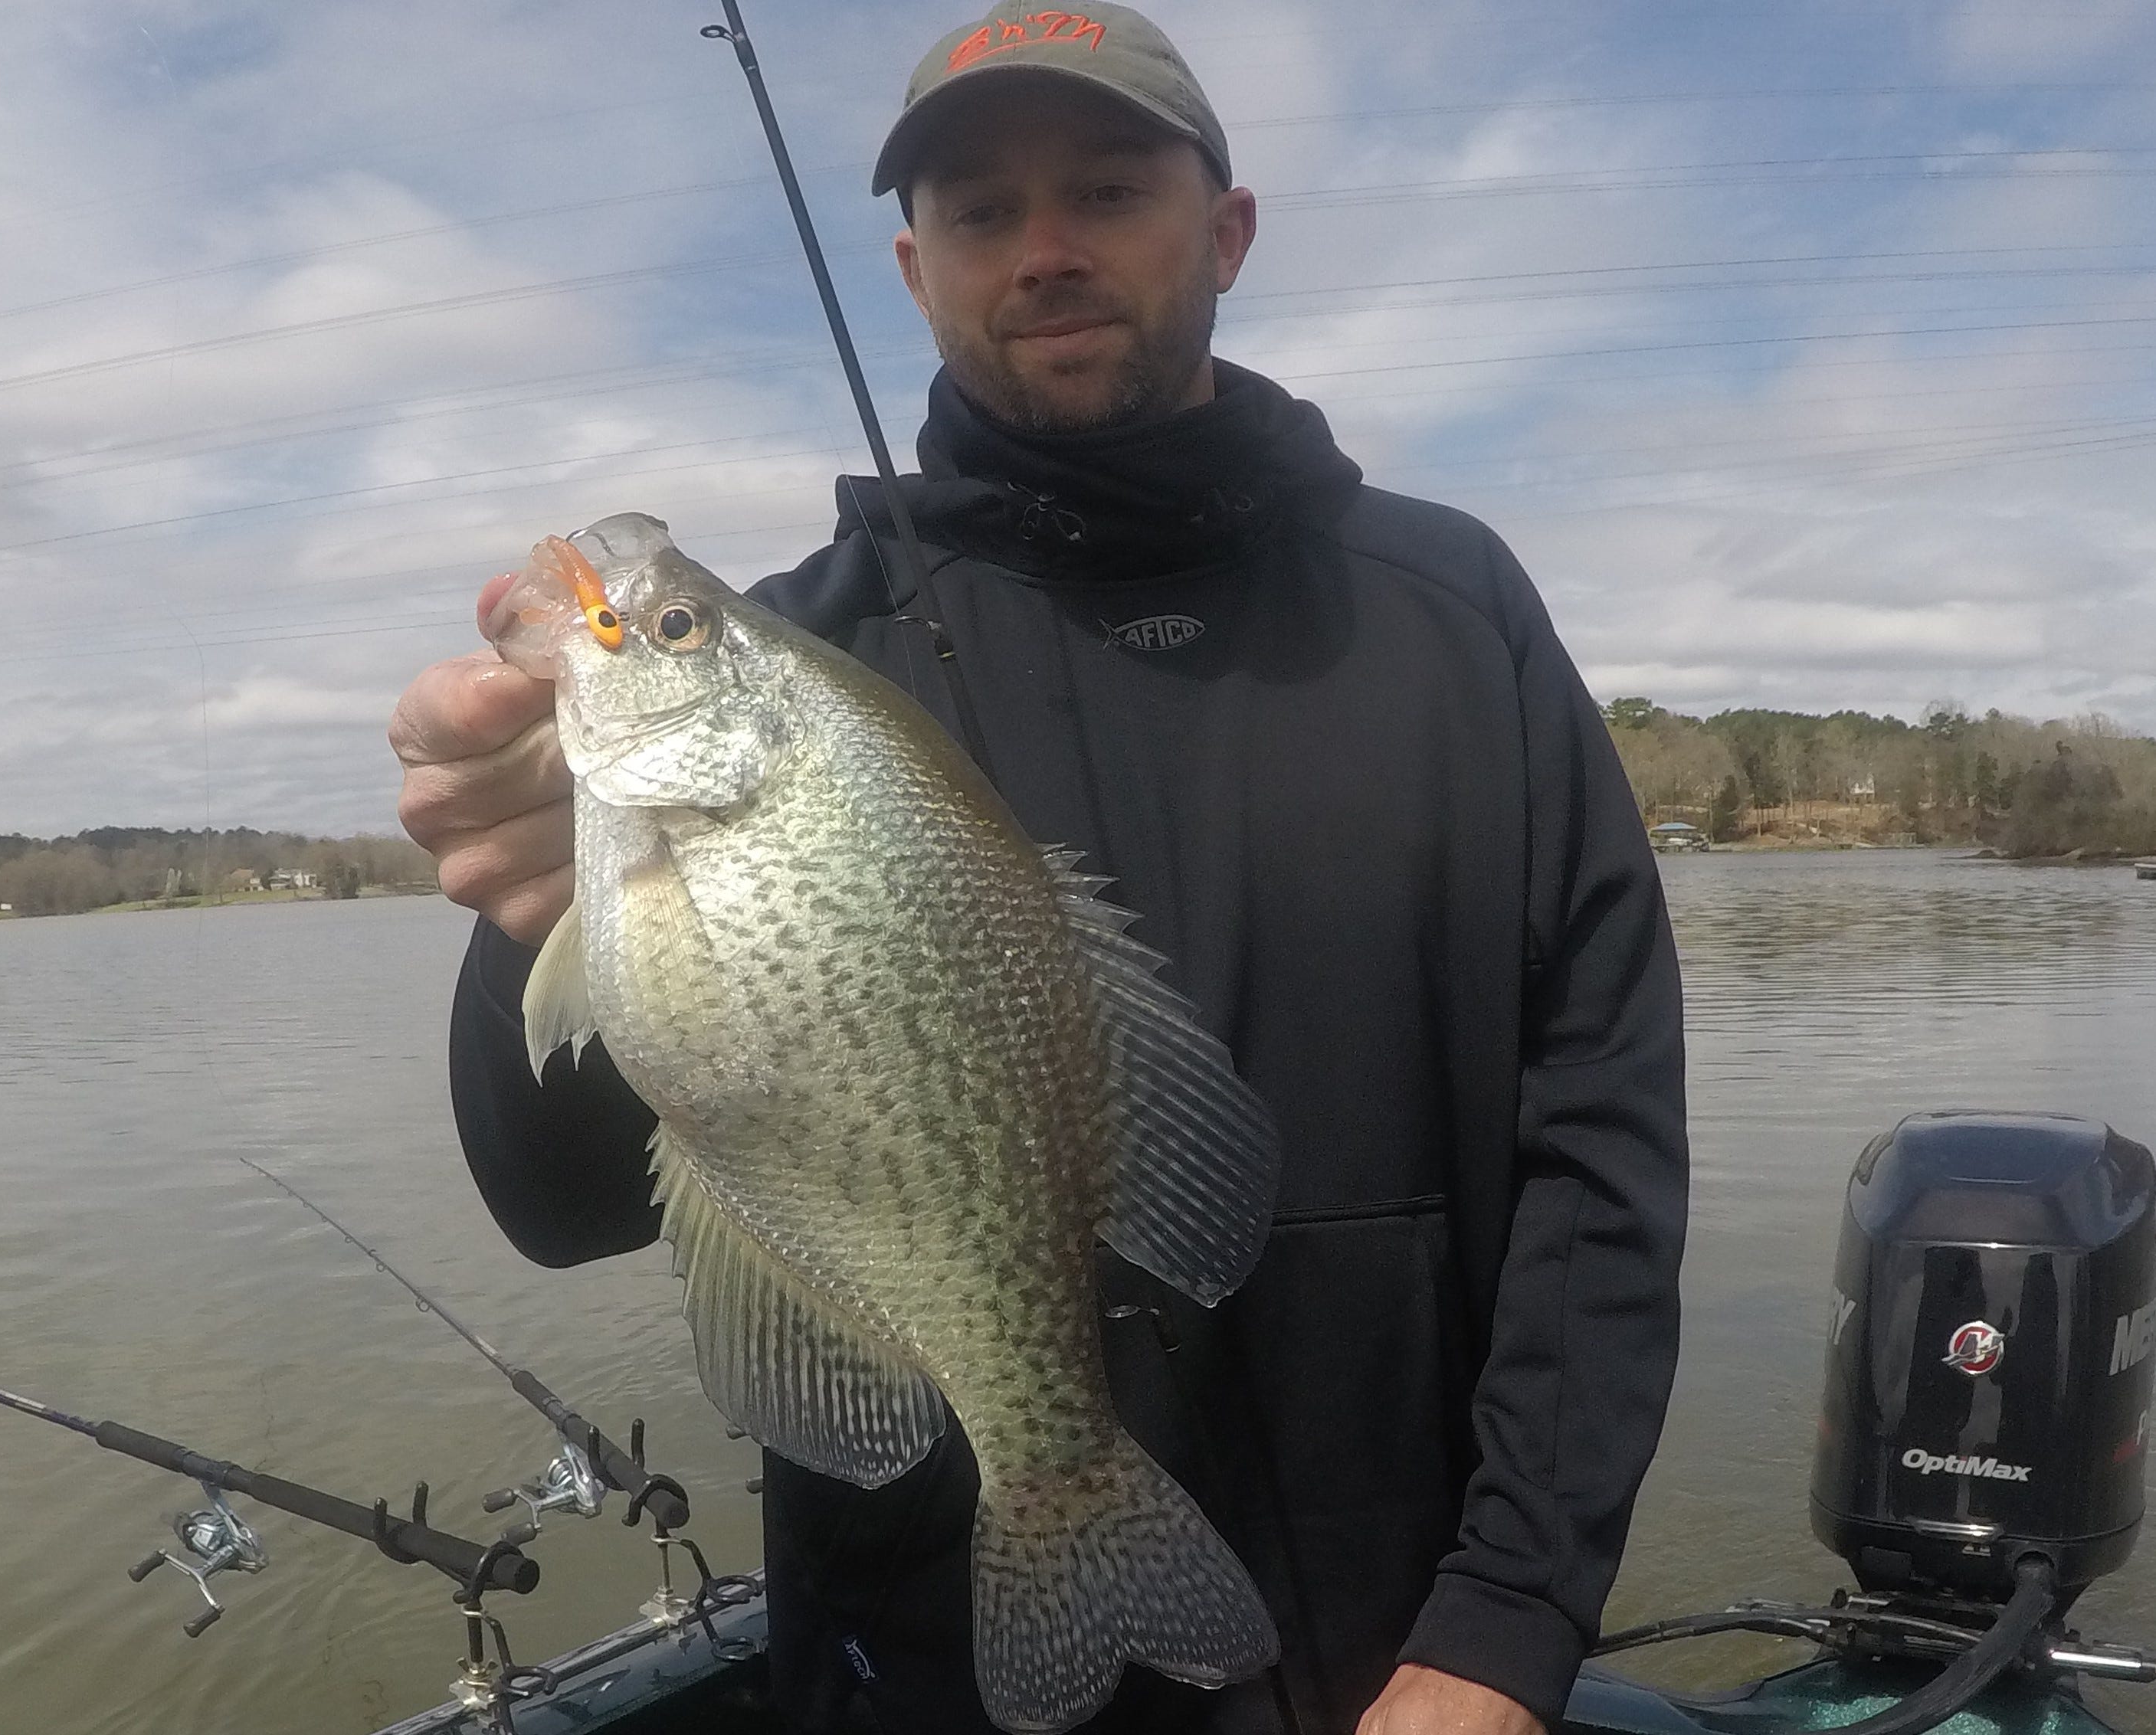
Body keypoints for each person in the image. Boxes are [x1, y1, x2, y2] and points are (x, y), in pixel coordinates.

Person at [388, 7, 1688, 1732]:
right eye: (985, 214)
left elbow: (1598, 1128)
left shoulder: (1452, 614)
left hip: (1404, 1649)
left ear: (1221, 231)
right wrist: (530, 905)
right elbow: (563, 1206)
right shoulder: (810, 656)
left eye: (1105, 189)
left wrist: (1511, 1616)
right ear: (918, 269)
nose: (1047, 249)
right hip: (928, 1663)